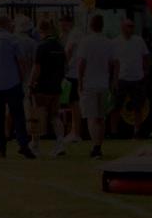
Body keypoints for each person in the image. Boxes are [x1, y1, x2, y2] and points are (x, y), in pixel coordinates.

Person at [0, 14, 36, 159]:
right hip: (12, 82)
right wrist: (23, 79)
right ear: (7, 24)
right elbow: (21, 61)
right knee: (18, 115)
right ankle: (23, 145)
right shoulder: (12, 39)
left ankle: (0, 148)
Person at [76, 14, 113, 159]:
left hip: (89, 83)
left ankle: (95, 147)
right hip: (103, 83)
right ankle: (99, 145)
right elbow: (112, 63)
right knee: (101, 117)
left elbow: (81, 63)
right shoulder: (108, 42)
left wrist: (80, 81)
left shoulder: (85, 42)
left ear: (91, 25)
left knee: (91, 117)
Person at [30, 18, 67, 157]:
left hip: (42, 86)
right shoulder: (60, 46)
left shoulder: (41, 46)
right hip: (56, 86)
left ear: (40, 31)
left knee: (38, 116)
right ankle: (60, 143)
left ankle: (35, 145)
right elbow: (65, 66)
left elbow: (36, 68)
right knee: (55, 116)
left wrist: (31, 83)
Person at [112, 18, 150, 138]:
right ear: (122, 28)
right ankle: (113, 132)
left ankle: (137, 131)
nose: (131, 28)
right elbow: (113, 62)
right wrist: (114, 79)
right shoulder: (115, 42)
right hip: (122, 78)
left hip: (137, 78)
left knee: (138, 107)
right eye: (128, 26)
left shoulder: (139, 41)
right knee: (116, 106)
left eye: (132, 26)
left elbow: (145, 56)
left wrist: (145, 70)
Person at [59, 14, 84, 142]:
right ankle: (74, 131)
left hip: (72, 73)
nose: (61, 26)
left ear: (68, 22)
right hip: (75, 72)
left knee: (74, 103)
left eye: (62, 23)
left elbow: (68, 51)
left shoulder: (74, 34)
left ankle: (76, 132)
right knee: (73, 103)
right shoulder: (75, 33)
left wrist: (63, 68)